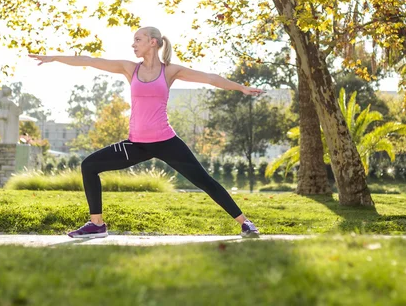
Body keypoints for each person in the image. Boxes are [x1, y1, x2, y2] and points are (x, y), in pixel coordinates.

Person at [28, 26, 262, 239]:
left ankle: (245, 223)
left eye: (137, 39)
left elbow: (209, 78)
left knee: (205, 181)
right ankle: (97, 224)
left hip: (166, 142)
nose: (133, 44)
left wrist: (240, 87)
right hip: (136, 144)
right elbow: (91, 60)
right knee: (89, 165)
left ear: (153, 42)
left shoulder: (170, 71)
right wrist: (55, 58)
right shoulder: (129, 68)